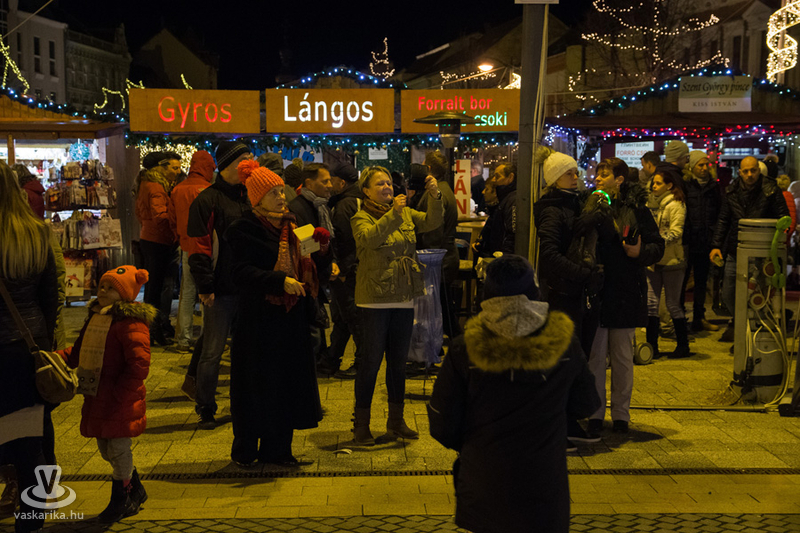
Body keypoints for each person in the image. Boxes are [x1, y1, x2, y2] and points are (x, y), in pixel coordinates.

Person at [427, 255, 600, 533]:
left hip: (485, 484)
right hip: (544, 485)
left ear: (487, 296)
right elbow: (587, 403)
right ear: (534, 293)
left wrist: (473, 443)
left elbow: (442, 422)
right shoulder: (563, 344)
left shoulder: (465, 348)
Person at [225, 161, 328, 466]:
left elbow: (313, 267)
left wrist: (322, 247)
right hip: (258, 323)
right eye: (274, 193)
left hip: (290, 320)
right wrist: (278, 280)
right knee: (257, 386)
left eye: (282, 191)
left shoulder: (295, 226)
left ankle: (279, 450)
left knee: (286, 385)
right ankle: (246, 449)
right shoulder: (243, 228)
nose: (282, 198)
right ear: (258, 198)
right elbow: (238, 273)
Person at [351, 165, 443, 445]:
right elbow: (370, 239)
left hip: (404, 294)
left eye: (389, 183)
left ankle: (396, 421)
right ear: (366, 191)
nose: (387, 187)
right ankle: (361, 425)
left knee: (398, 363)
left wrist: (434, 196)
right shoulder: (360, 217)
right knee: (370, 362)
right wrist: (394, 214)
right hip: (374, 299)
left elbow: (432, 222)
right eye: (380, 184)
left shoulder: (405, 214)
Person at [58, 266, 152, 522]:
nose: (103, 291)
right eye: (101, 286)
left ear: (126, 294)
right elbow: (78, 351)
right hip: (98, 394)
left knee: (119, 449)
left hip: (120, 398)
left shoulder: (131, 323)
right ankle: (135, 487)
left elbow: (139, 364)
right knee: (105, 449)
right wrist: (56, 358)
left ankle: (122, 499)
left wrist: (122, 393)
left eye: (111, 288)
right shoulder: (96, 318)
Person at [533, 146, 605, 446]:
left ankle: (569, 419)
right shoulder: (553, 211)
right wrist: (583, 274)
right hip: (563, 295)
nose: (575, 177)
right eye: (568, 173)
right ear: (554, 178)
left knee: (575, 359)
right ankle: (561, 424)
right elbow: (549, 256)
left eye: (576, 172)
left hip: (577, 294)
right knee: (564, 361)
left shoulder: (575, 205)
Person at [0, 161, 57, 533]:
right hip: (27, 346)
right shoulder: (37, 233)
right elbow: (49, 298)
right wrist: (46, 344)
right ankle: (33, 515)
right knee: (30, 435)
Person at [587, 157, 664, 435]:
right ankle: (595, 413)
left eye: (604, 174)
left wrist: (639, 252)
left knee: (621, 357)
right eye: (597, 174)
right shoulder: (590, 205)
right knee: (595, 357)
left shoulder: (637, 209)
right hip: (597, 289)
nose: (598, 178)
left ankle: (621, 414)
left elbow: (657, 246)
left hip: (625, 289)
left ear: (619, 180)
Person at [186, 141, 252, 429]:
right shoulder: (207, 200)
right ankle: (205, 406)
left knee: (244, 350)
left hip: (248, 287)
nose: (250, 163)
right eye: (244, 158)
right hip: (221, 289)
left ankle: (242, 402)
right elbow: (198, 247)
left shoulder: (250, 196)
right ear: (228, 164)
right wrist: (205, 286)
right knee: (212, 350)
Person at [710, 156, 790, 343]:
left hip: (762, 250)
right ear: (740, 172)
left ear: (758, 170)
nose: (749, 174)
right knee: (729, 292)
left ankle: (750, 335)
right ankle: (743, 324)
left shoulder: (771, 189)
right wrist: (716, 246)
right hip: (736, 248)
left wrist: (779, 239)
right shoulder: (732, 191)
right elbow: (723, 220)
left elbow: (783, 217)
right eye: (745, 171)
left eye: (753, 170)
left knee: (758, 294)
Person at [288, 163, 338, 371]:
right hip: (305, 281)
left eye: (330, 180)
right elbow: (301, 248)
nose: (330, 185)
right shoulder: (297, 208)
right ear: (309, 183)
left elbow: (326, 243)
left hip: (318, 277)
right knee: (311, 334)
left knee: (316, 331)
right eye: (325, 181)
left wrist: (331, 259)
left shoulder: (321, 206)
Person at [413, 151, 460, 337]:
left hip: (438, 260)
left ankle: (462, 348)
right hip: (445, 257)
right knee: (442, 310)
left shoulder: (435, 193)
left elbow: (433, 232)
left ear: (429, 168)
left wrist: (424, 260)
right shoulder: (445, 189)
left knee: (443, 312)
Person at [646, 164, 689, 359]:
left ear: (669, 185)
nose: (653, 186)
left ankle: (683, 345)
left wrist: (657, 242)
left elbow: (676, 232)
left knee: (672, 303)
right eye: (653, 183)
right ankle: (651, 346)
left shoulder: (675, 205)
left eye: (658, 183)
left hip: (672, 260)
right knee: (651, 303)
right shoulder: (655, 204)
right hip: (655, 260)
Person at [325, 161, 363, 378]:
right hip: (354, 267)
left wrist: (341, 270)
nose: (330, 185)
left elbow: (343, 241)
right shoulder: (359, 199)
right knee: (343, 317)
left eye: (332, 181)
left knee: (352, 317)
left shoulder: (344, 205)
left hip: (346, 271)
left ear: (341, 182)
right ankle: (331, 359)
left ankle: (361, 363)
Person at [135, 158, 179, 346]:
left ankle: (151, 329)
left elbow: (140, 213)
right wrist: (175, 222)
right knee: (156, 288)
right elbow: (160, 216)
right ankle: (154, 330)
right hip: (159, 240)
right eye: (174, 167)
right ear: (161, 168)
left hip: (148, 237)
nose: (178, 171)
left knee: (152, 287)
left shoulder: (145, 184)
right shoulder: (156, 187)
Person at [682, 150, 721, 332]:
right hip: (689, 240)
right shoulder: (686, 186)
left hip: (706, 241)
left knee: (701, 282)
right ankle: (680, 319)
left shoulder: (714, 187)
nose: (704, 168)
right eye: (700, 165)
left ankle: (699, 318)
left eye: (706, 164)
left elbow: (719, 212)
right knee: (682, 282)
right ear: (692, 167)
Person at [473, 163, 517, 257]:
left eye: (497, 176)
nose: (494, 180)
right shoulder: (504, 200)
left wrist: (504, 257)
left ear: (510, 177)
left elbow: (512, 234)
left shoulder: (512, 200)